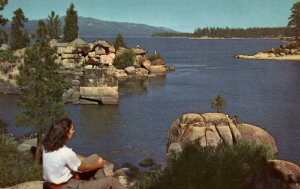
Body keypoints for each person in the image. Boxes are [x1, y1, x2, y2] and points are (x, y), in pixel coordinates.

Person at [43, 118, 126, 189]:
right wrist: (99, 164)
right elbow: (83, 169)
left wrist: (96, 163)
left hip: (54, 183)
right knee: (111, 181)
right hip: (69, 186)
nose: (74, 131)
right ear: (66, 132)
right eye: (72, 129)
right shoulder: (65, 152)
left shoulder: (46, 148)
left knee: (95, 157)